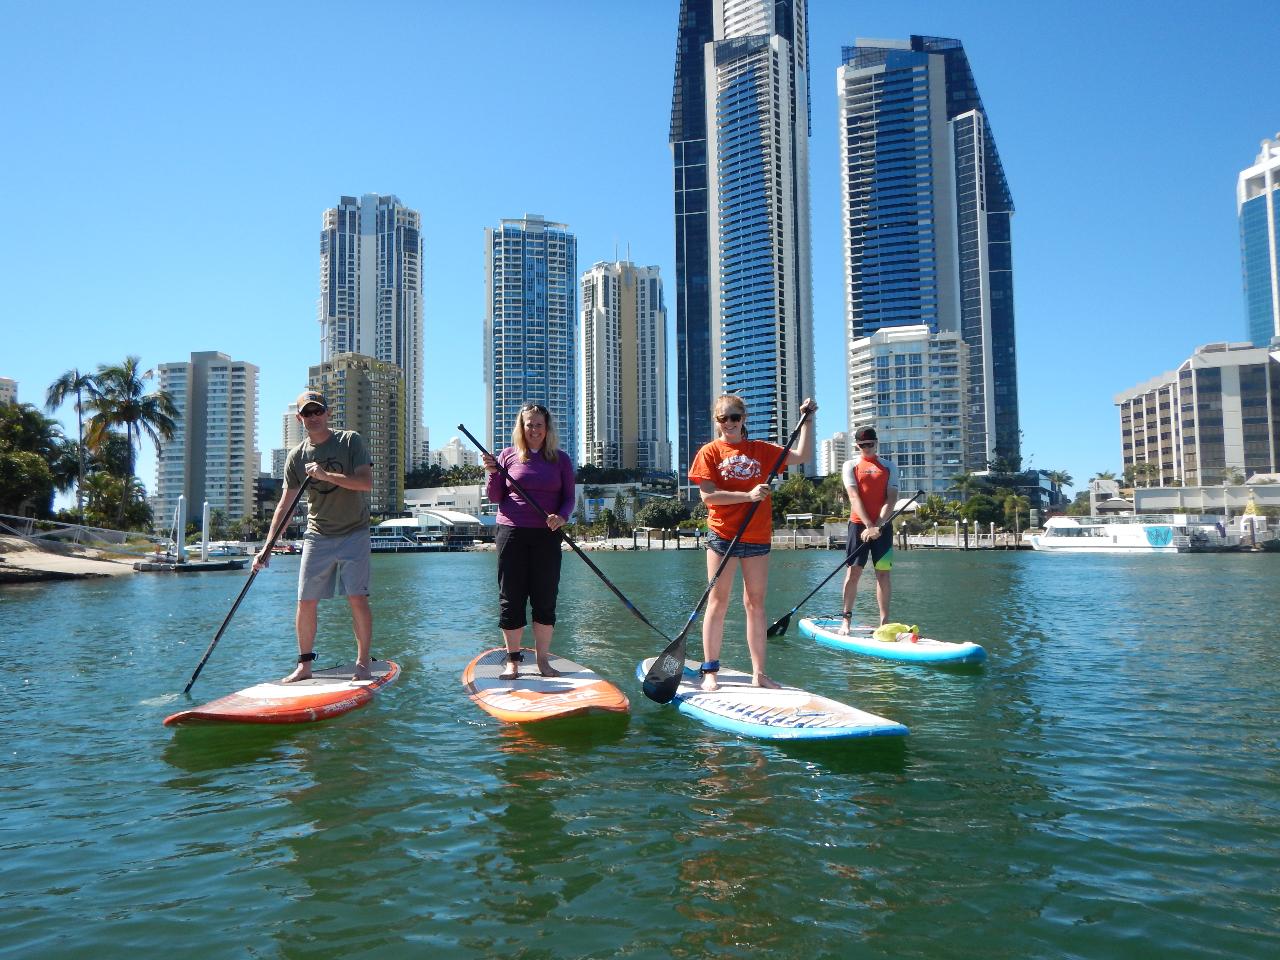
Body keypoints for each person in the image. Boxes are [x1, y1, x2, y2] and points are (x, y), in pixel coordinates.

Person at [690, 394, 817, 690]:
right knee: (718, 602)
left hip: (757, 536)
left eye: (735, 417)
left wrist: (808, 421)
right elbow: (708, 496)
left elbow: (802, 456)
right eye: (723, 418)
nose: (730, 423)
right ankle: (710, 671)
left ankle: (759, 673)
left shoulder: (761, 450)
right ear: (716, 421)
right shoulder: (709, 453)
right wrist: (746, 496)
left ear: (744, 418)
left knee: (755, 604)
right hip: (723, 536)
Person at [254, 390, 375, 682]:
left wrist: (325, 475)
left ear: (327, 413)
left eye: (318, 411)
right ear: (300, 418)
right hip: (317, 535)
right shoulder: (296, 457)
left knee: (356, 598)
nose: (313, 417)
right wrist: (267, 548)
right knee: (305, 601)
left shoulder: (350, 441)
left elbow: (365, 483)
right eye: (307, 413)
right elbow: (285, 505)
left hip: (354, 532)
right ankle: (304, 665)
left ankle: (362, 663)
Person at [481, 402, 575, 681]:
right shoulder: (507, 456)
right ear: (521, 428)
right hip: (512, 532)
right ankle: (513, 661)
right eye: (528, 424)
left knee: (545, 598)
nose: (533, 429)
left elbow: (569, 497)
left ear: (547, 429)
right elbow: (495, 497)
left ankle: (543, 661)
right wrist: (493, 472)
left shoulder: (561, 459)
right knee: (511, 597)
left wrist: (562, 516)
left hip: (547, 534)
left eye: (538, 425)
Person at [838, 425, 898, 634]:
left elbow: (891, 499)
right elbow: (854, 497)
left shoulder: (889, 466)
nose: (867, 448)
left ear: (876, 443)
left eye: (870, 444)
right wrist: (869, 526)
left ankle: (884, 623)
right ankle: (845, 620)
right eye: (862, 445)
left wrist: (878, 525)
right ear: (857, 445)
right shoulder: (850, 465)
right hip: (857, 526)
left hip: (883, 527)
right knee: (853, 572)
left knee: (883, 574)